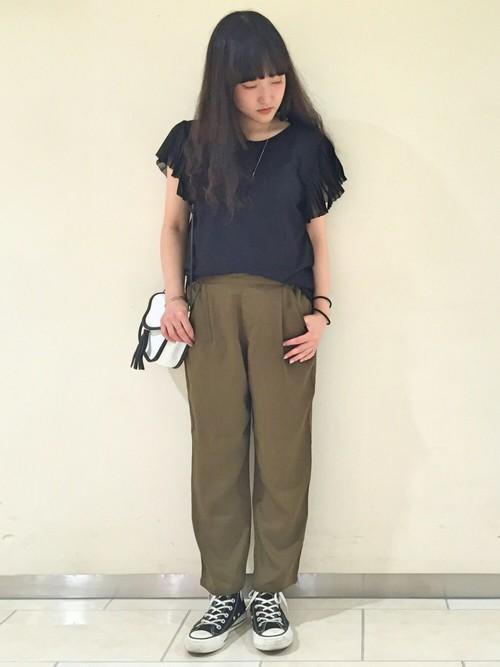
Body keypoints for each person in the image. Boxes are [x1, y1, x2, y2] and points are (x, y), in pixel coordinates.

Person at [155, 9, 347, 656]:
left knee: (284, 454)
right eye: (250, 82)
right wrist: (174, 299)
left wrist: (321, 313)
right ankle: (224, 591)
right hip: (207, 309)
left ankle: (270, 589)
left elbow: (319, 240)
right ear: (223, 83)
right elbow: (173, 227)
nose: (267, 94)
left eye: (276, 78)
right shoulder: (191, 142)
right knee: (216, 453)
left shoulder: (306, 148)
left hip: (285, 313)